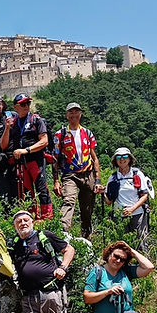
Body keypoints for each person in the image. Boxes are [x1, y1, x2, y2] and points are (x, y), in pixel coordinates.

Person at [9, 210, 75, 313]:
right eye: (19, 222)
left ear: (32, 222)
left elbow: (69, 250)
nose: (23, 223)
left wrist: (63, 268)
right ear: (15, 226)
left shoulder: (44, 236)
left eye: (26, 220)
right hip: (29, 298)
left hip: (51, 293)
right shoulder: (14, 244)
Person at [53, 102, 102, 238]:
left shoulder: (87, 133)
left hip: (88, 174)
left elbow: (94, 158)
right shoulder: (60, 135)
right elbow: (55, 159)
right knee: (68, 201)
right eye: (71, 112)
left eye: (76, 112)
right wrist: (56, 181)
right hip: (70, 175)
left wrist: (97, 179)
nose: (74, 115)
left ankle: (86, 238)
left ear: (81, 114)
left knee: (87, 209)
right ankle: (63, 235)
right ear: (67, 115)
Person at [0, 94, 51, 220]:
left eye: (28, 103)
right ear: (15, 107)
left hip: (36, 160)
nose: (26, 106)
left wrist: (26, 150)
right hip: (21, 163)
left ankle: (47, 219)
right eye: (23, 104)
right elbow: (3, 145)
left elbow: (44, 141)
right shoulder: (14, 123)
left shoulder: (36, 120)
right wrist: (7, 128)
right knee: (27, 193)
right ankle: (31, 219)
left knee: (42, 189)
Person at [104, 147, 152, 251]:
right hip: (119, 216)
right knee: (121, 246)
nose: (122, 159)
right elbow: (108, 201)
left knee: (141, 244)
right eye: (119, 157)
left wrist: (132, 209)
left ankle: (142, 266)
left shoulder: (137, 174)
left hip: (137, 214)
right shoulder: (113, 177)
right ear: (115, 160)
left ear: (130, 159)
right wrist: (102, 192)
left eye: (125, 156)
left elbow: (144, 195)